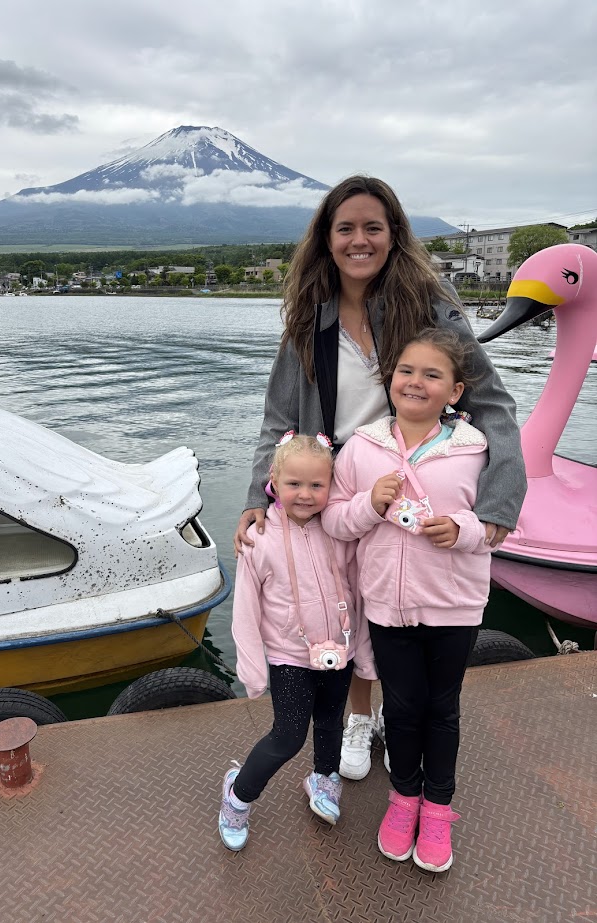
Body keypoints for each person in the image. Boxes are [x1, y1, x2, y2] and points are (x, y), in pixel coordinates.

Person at [233, 175, 526, 782]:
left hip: (415, 477)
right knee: (353, 600)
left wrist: (499, 501)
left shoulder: (430, 304)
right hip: (340, 485)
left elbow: (491, 403)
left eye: (373, 227)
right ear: (326, 237)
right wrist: (257, 497)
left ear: (395, 234)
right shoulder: (309, 318)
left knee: (403, 600)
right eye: (345, 228)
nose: (359, 240)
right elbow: (279, 418)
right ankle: (359, 717)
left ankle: (395, 714)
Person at [322, 327, 493, 872]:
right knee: (400, 705)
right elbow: (335, 519)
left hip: (454, 603)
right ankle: (403, 800)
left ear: (456, 392)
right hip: (387, 608)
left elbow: (499, 521)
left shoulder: (477, 452)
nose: (416, 382)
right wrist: (370, 505)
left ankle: (438, 808)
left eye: (432, 374)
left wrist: (462, 530)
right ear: (389, 379)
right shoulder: (361, 447)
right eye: (406, 371)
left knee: (442, 708)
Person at [218, 434, 377, 851]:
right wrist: (252, 669)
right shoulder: (259, 538)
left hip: (337, 651)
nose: (305, 495)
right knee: (287, 736)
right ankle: (238, 795)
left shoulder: (340, 532)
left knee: (330, 724)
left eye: (316, 485)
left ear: (331, 485)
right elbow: (246, 610)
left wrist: (362, 650)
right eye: (294, 484)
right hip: (290, 656)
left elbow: (358, 590)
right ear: (273, 480)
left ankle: (324, 780)